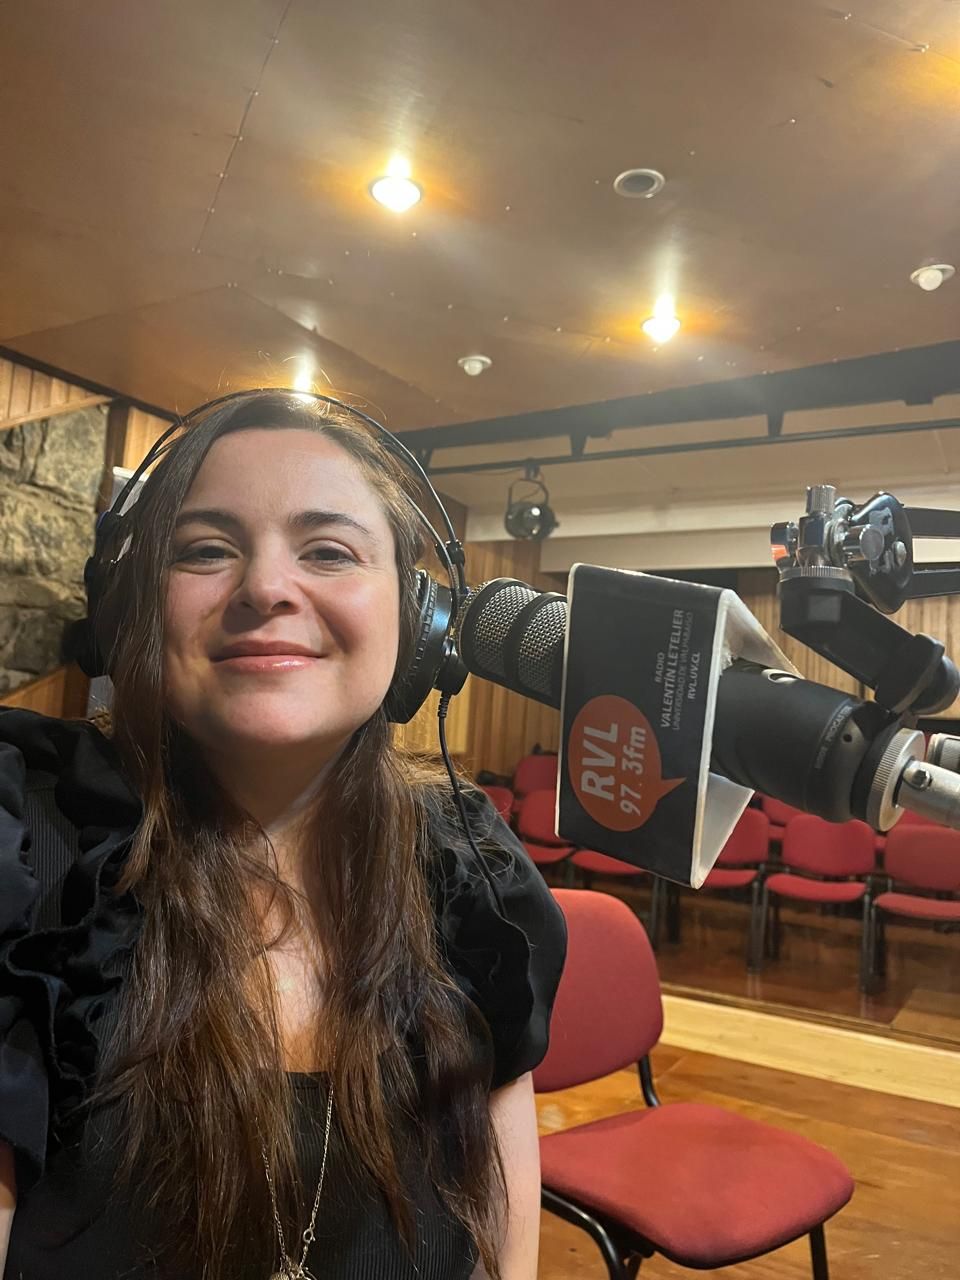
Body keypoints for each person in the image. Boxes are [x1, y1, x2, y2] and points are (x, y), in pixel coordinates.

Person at [0, 391, 567, 1280]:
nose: (265, 588)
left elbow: (503, 1252)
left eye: (329, 551)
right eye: (205, 550)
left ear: (419, 623)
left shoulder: (471, 877)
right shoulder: (29, 854)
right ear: (125, 612)